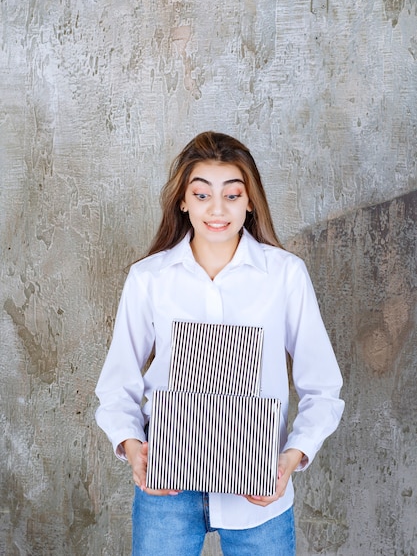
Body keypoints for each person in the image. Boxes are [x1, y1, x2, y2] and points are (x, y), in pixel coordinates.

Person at [95, 131, 344, 556]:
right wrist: (131, 445)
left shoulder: (285, 275)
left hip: (260, 491)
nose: (217, 209)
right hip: (166, 486)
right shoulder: (149, 278)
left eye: (232, 195)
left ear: (250, 202)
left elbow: (322, 386)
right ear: (183, 201)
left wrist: (291, 458)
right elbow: (117, 382)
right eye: (202, 194)